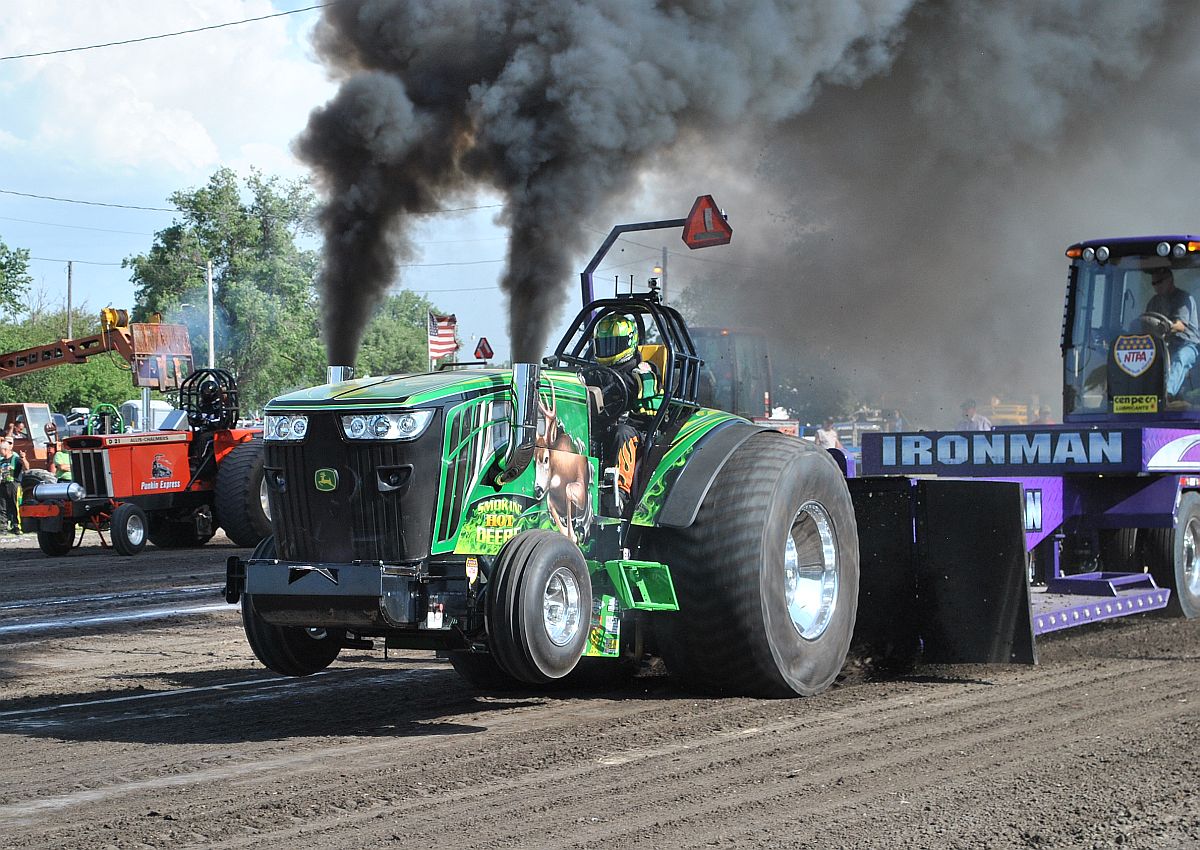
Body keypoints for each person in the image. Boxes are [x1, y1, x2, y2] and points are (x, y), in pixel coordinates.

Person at [591, 313, 662, 501]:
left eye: (613, 345)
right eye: (604, 345)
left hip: (639, 430)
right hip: (602, 426)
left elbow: (646, 384)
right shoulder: (595, 372)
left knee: (622, 433)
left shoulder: (644, 369)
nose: (608, 350)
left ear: (628, 343)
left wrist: (623, 384)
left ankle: (619, 493)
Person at [1146, 267, 1200, 399]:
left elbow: (1180, 325)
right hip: (1164, 345)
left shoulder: (1183, 298)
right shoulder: (1154, 301)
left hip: (1189, 346)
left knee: (1180, 357)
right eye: (1154, 283)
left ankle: (1166, 395)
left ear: (1170, 280)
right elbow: (1146, 321)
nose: (1156, 286)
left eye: (1159, 282)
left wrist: (1164, 327)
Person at [0, 438, 27, 534]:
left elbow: (27, 467)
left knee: (15, 506)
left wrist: (23, 458)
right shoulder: (1, 461)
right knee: (2, 507)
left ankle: (17, 527)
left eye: (1, 451)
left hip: (14, 484)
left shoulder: (15, 459)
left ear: (6, 450)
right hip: (3, 485)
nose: (0, 453)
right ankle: (3, 528)